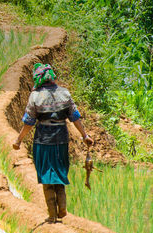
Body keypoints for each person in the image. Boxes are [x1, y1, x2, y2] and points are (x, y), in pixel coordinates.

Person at [11, 62, 94, 223]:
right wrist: (85, 135)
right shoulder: (64, 93)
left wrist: (18, 140)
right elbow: (75, 117)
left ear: (38, 79)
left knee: (46, 176)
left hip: (43, 140)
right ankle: (62, 206)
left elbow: (29, 122)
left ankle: (52, 214)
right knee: (59, 173)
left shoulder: (35, 96)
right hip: (61, 139)